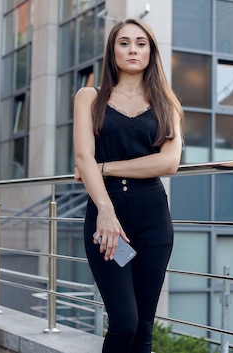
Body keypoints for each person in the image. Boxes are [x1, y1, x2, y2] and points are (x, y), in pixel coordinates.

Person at [73, 18, 183, 353]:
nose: (132, 49)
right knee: (124, 323)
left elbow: (168, 163)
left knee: (144, 328)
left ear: (151, 52)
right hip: (109, 224)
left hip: (153, 222)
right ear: (112, 50)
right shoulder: (89, 97)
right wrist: (105, 210)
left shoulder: (167, 102)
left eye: (140, 43)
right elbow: (82, 156)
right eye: (124, 42)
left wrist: (103, 166)